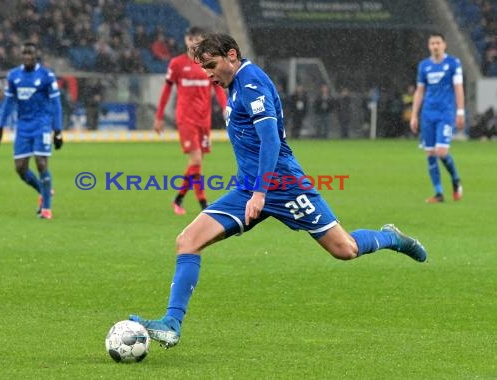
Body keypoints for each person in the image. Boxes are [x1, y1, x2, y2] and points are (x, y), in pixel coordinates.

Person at [129, 33, 428, 349]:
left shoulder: (251, 82)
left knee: (345, 250)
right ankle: (171, 324)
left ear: (232, 55)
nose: (208, 74)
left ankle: (392, 238)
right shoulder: (232, 86)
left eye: (212, 65)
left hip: (282, 184)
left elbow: (270, 140)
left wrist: (261, 192)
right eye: (204, 69)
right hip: (248, 187)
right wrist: (253, 190)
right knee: (188, 241)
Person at [153, 26, 227, 215]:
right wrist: (159, 116)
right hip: (186, 119)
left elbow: (218, 88)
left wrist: (227, 108)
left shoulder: (208, 63)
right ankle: (203, 204)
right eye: (190, 38)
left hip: (204, 119)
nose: (194, 41)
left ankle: (179, 199)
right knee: (195, 159)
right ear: (186, 40)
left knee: (197, 162)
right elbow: (166, 90)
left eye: (198, 38)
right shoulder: (177, 63)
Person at [0, 41, 63, 220]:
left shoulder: (46, 76)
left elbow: (56, 104)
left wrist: (58, 130)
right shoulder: (14, 76)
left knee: (41, 164)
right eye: (24, 53)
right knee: (20, 168)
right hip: (23, 126)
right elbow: (8, 103)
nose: (27, 57)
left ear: (36, 55)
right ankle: (44, 191)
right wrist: (0, 126)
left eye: (30, 54)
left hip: (42, 125)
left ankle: (46, 209)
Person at [410, 32, 464, 203]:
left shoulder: (453, 63)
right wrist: (414, 115)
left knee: (441, 152)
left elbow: (458, 88)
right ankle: (439, 193)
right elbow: (420, 91)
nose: (435, 46)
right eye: (432, 43)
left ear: (444, 44)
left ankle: (455, 180)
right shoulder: (424, 66)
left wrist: (460, 111)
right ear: (429, 45)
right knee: (430, 153)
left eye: (438, 43)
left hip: (445, 113)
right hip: (427, 114)